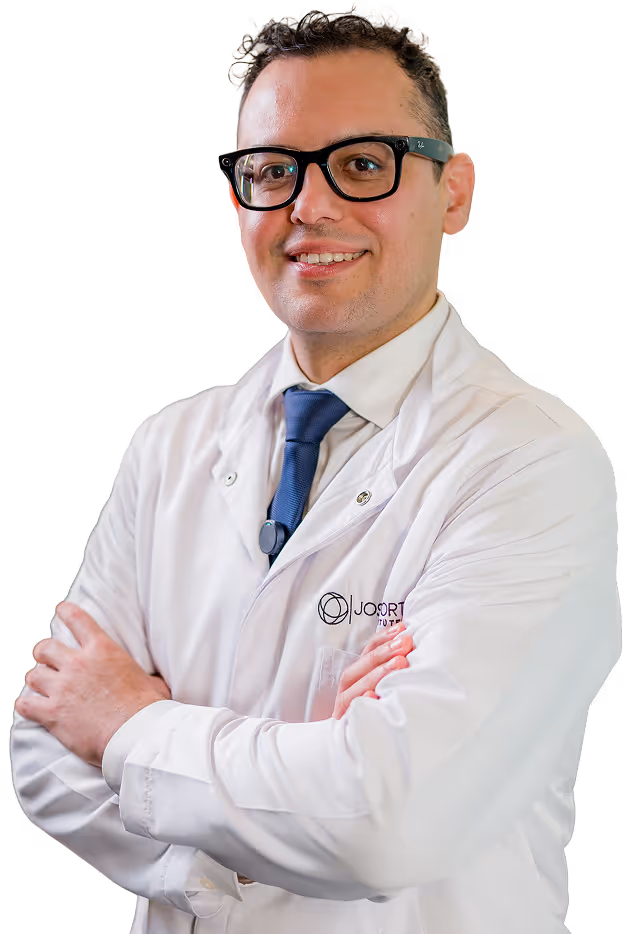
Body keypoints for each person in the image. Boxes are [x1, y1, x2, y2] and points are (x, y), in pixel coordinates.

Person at [9, 5, 621, 933]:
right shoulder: (169, 444)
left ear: (453, 193)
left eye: (365, 164)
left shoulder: (532, 459)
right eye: (271, 171)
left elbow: (390, 825)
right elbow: (45, 752)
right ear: (237, 200)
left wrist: (130, 727)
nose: (310, 206)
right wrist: (309, 788)